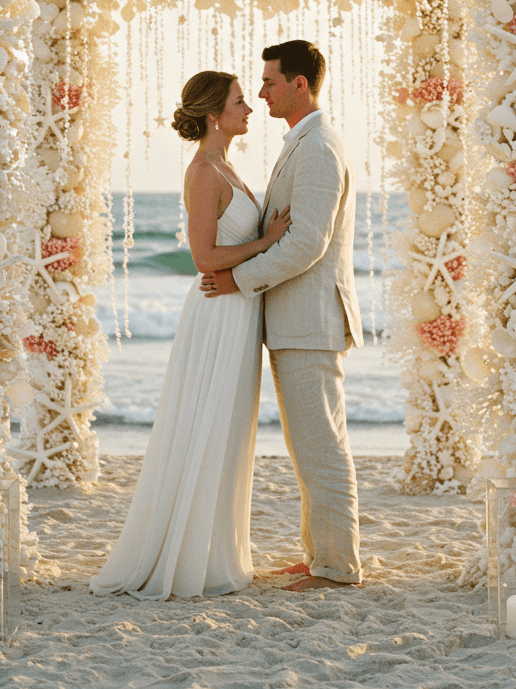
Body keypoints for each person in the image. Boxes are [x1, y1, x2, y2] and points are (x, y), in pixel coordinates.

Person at [89, 70, 291, 601]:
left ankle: (212, 550)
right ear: (212, 113)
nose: (249, 109)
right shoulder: (203, 171)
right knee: (207, 424)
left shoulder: (227, 166)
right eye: (240, 102)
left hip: (238, 311)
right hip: (217, 315)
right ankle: (186, 557)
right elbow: (204, 258)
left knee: (226, 431)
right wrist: (268, 242)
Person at [201, 40, 362, 592]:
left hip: (310, 321)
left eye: (269, 82)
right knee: (309, 445)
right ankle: (322, 554)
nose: (262, 92)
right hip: (297, 322)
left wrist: (236, 280)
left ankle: (338, 568)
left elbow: (307, 244)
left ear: (299, 84)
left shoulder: (317, 147)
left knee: (320, 446)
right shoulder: (304, 142)